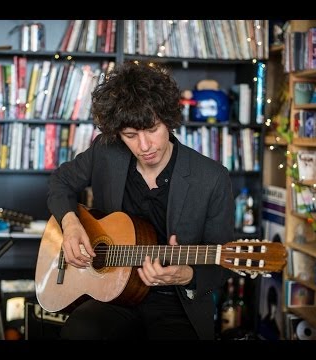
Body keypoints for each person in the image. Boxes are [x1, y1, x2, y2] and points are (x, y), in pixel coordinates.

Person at [47, 61, 235, 340]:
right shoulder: (106, 152)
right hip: (112, 292)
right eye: (131, 135)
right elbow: (60, 182)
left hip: (176, 302)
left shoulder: (213, 178)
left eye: (152, 129)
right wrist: (71, 224)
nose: (144, 146)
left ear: (168, 119)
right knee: (79, 332)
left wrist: (184, 274)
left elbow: (222, 264)